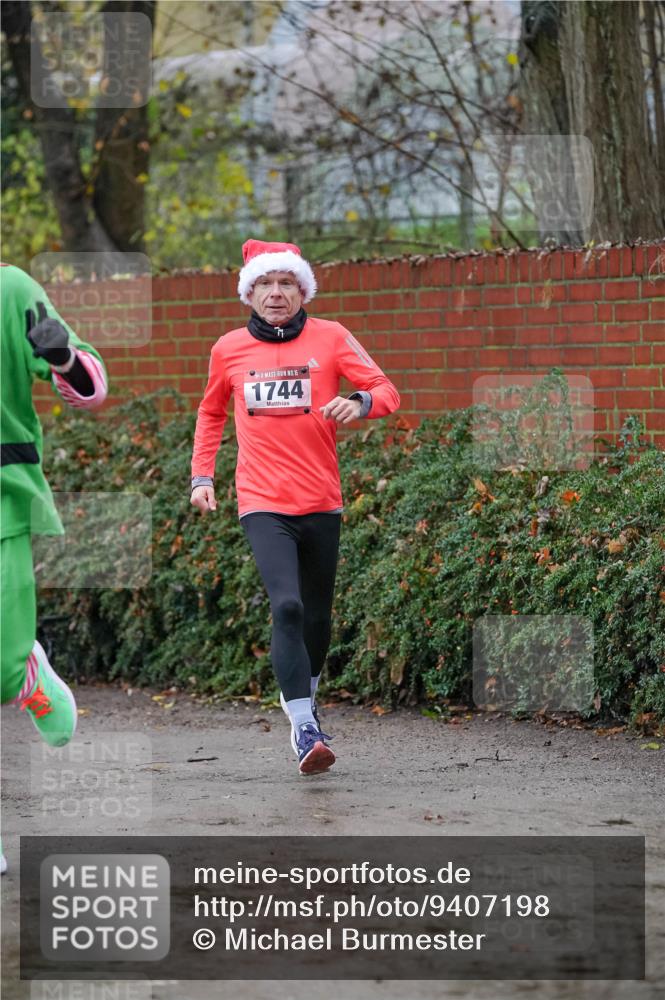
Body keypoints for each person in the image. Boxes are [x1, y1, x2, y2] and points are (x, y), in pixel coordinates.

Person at [191, 239, 400, 775]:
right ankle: (305, 727)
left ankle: (301, 697)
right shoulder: (228, 349)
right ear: (249, 293)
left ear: (303, 290)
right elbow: (211, 411)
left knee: (317, 617)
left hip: (322, 500)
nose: (276, 293)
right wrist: (202, 475)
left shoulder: (330, 338)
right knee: (286, 606)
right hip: (262, 502)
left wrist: (359, 402)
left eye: (286, 283)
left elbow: (386, 389)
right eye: (265, 284)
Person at [0, 264, 108, 873]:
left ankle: (24, 671)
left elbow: (90, 387)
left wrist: (64, 356)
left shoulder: (10, 289)